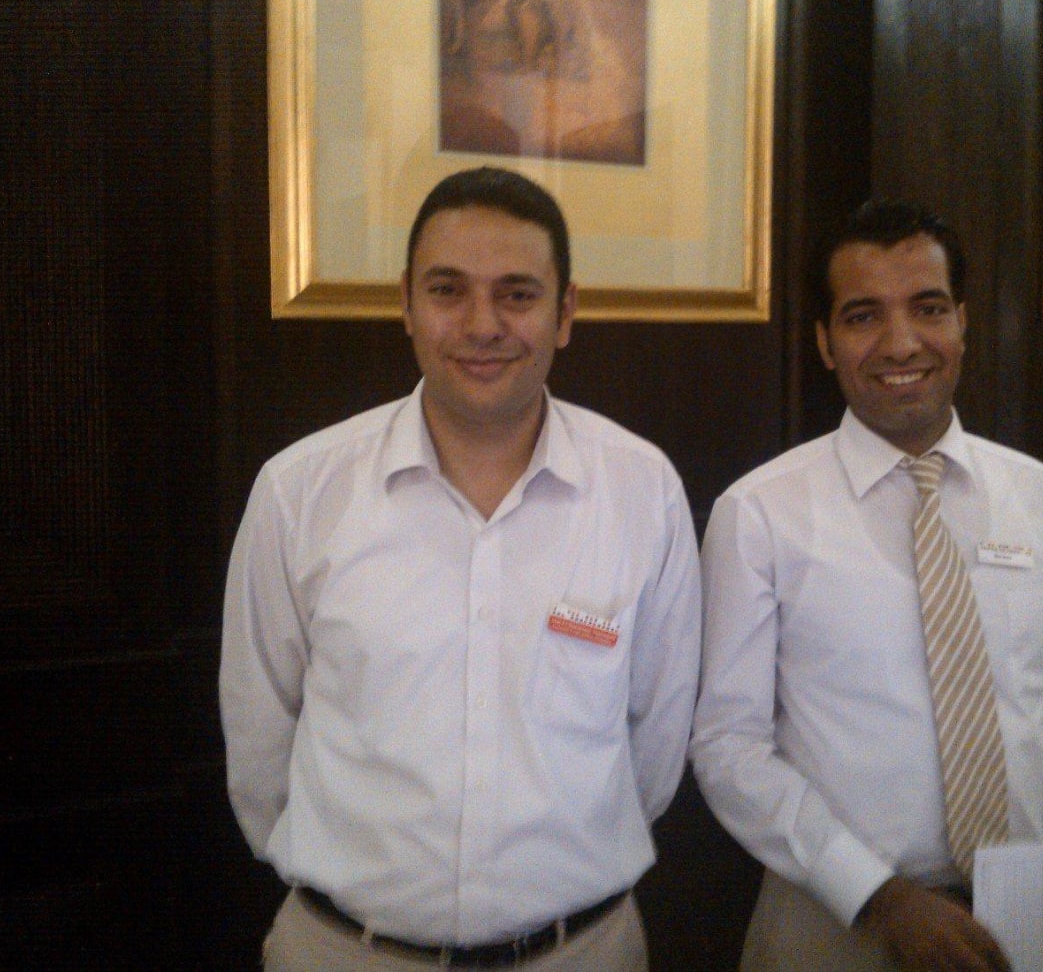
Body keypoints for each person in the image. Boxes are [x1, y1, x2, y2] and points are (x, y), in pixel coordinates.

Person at [221, 166, 702, 971]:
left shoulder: (642, 490)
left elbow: (656, 737)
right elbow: (258, 732)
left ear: (565, 313)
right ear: (406, 303)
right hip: (346, 953)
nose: (482, 325)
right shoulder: (300, 491)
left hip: (581, 953)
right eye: (448, 290)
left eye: (517, 294)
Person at [689, 199, 1043, 971]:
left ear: (961, 322)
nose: (900, 343)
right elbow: (728, 747)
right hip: (834, 921)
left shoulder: (1036, 494)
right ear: (824, 342)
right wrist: (878, 896)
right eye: (863, 316)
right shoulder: (758, 513)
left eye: (927, 308)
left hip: (1030, 911)